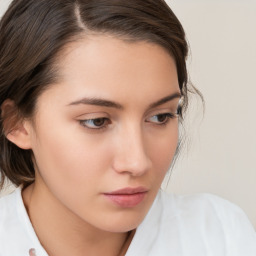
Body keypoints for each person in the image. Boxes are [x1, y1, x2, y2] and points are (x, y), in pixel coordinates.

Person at [0, 0, 255, 255]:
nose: (137, 163)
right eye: (96, 121)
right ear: (17, 123)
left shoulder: (219, 235)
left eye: (160, 117)